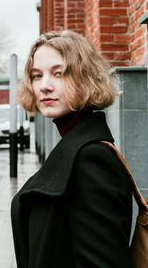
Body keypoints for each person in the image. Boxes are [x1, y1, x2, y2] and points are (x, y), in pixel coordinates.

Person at [11, 31, 132, 268]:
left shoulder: (92, 159)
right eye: (37, 76)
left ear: (85, 77)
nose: (44, 86)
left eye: (59, 73)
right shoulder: (76, 147)